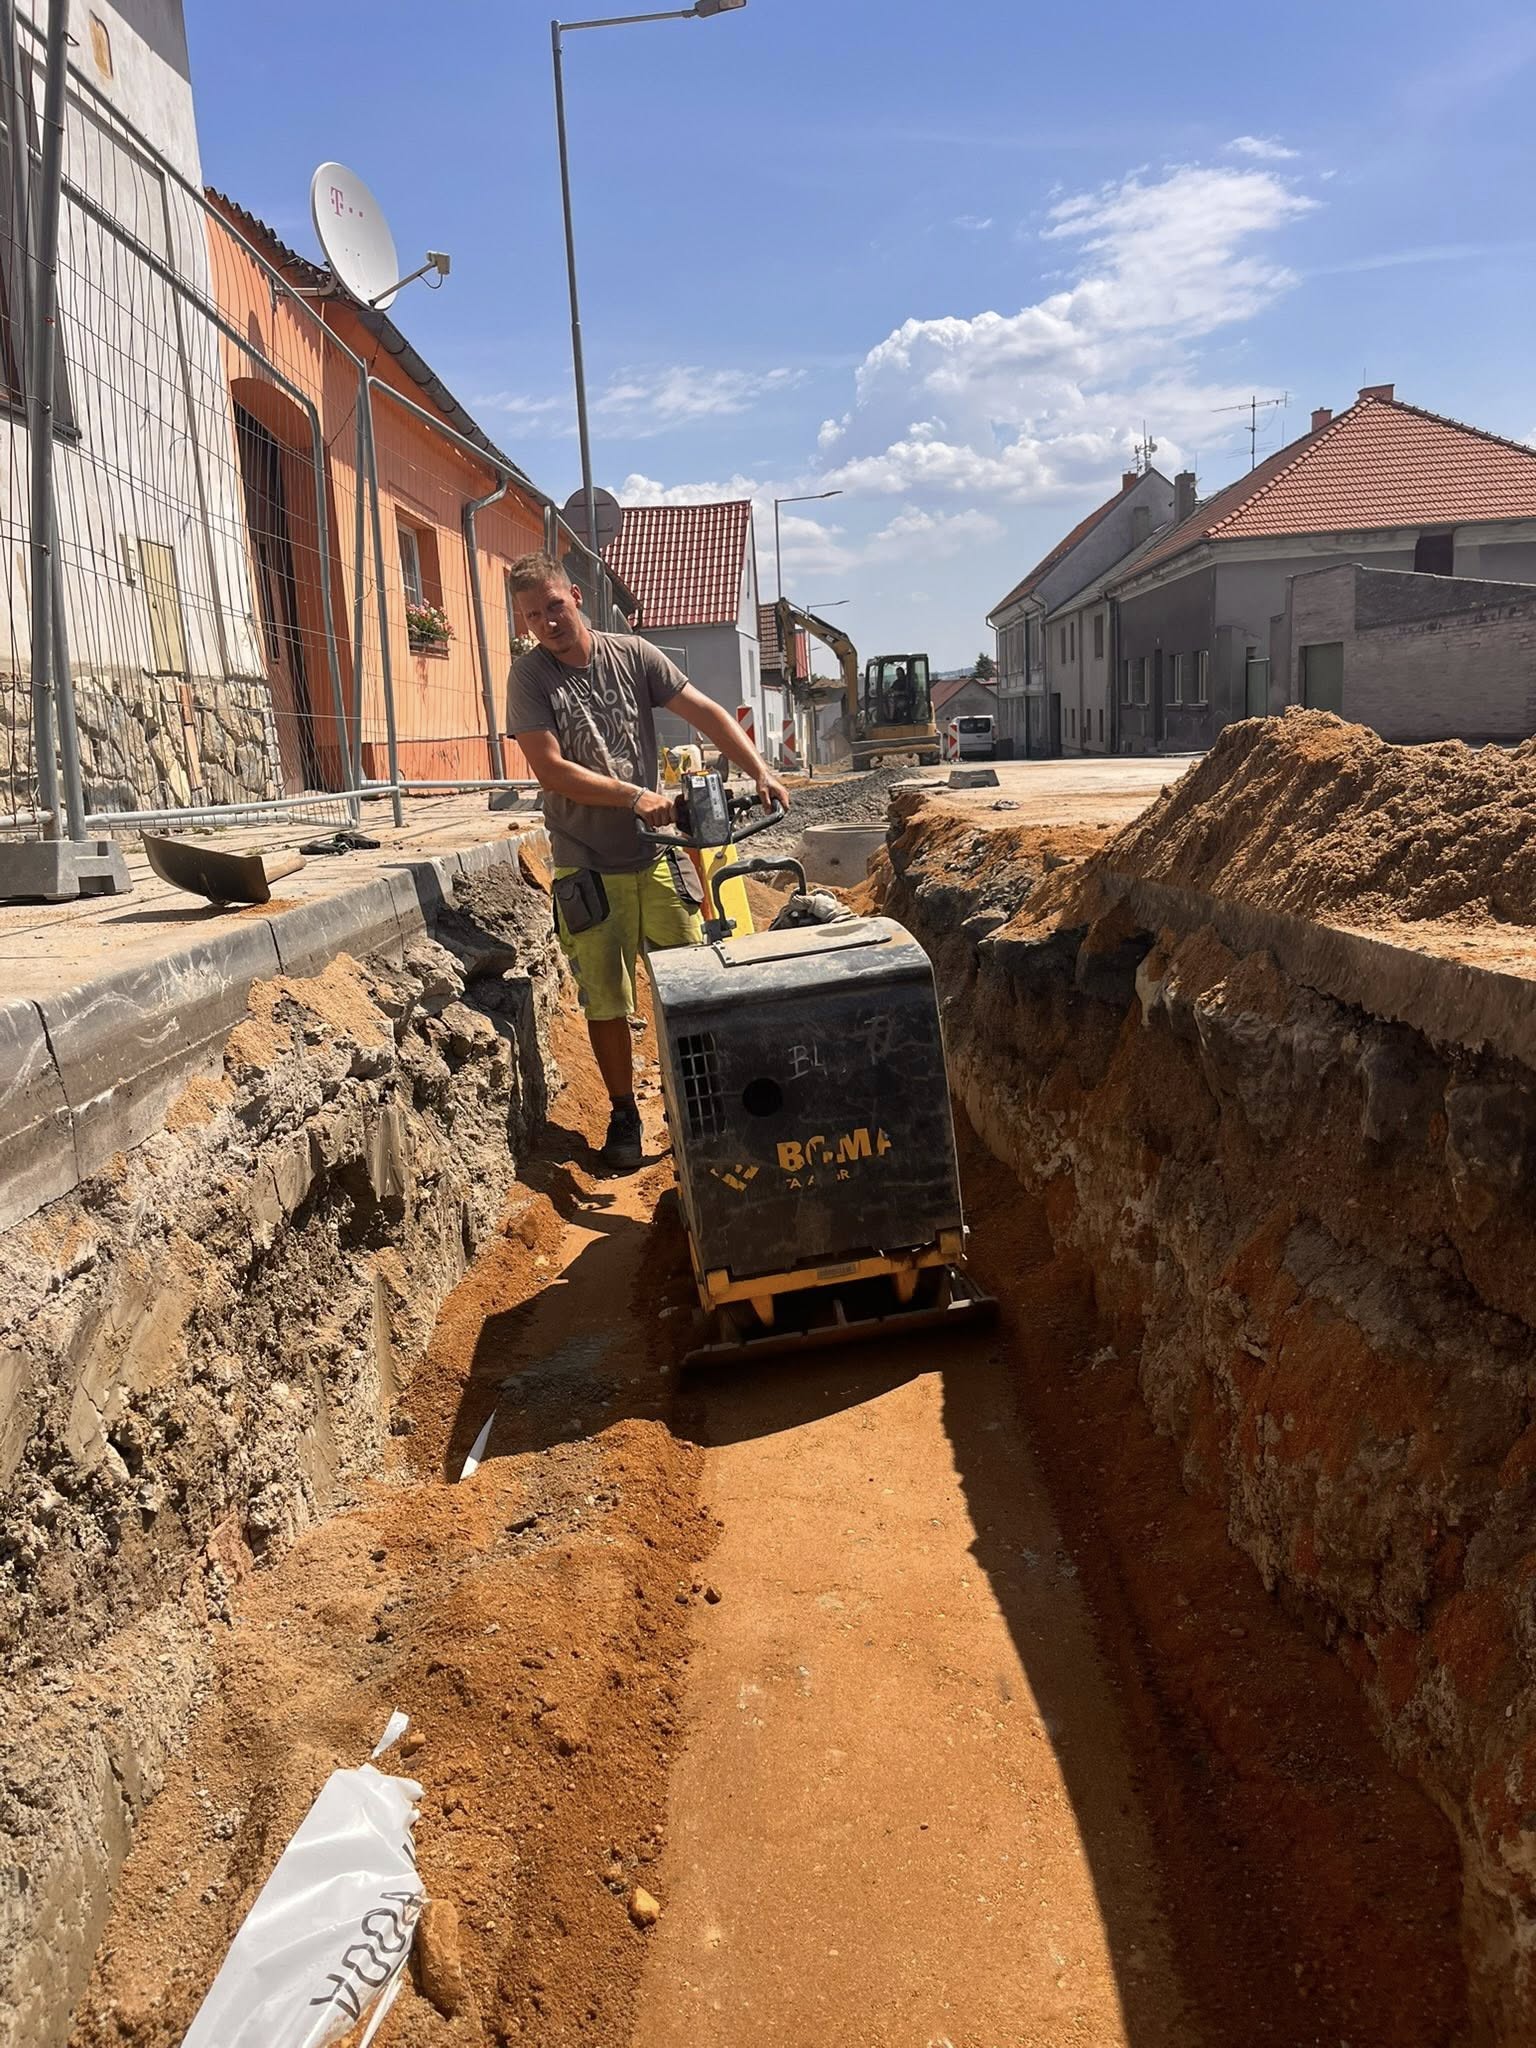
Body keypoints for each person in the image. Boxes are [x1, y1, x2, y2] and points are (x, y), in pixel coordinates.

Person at [506, 552, 790, 1170]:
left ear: (575, 596)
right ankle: (623, 1114)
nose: (547, 622)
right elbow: (552, 770)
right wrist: (635, 796)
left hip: (659, 856)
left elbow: (708, 713)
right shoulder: (530, 679)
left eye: (553, 606)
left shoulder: (633, 654)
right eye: (532, 616)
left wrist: (759, 770)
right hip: (586, 862)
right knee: (606, 998)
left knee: (688, 981)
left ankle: (699, 1100)